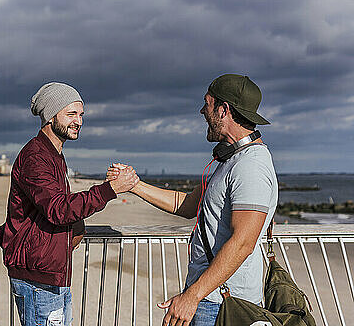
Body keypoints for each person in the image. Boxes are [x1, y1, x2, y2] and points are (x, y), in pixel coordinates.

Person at [108, 74, 278, 326]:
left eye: (207, 104)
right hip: (210, 298)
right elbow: (188, 205)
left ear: (223, 110)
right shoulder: (228, 161)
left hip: (226, 304)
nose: (202, 111)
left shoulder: (251, 165)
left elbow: (243, 242)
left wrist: (192, 296)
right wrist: (134, 185)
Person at [0, 82, 139, 326]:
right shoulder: (36, 156)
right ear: (50, 116)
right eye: (71, 114)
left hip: (51, 272)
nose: (79, 121)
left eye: (81, 115)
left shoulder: (54, 154)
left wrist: (76, 230)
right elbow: (58, 209)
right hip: (37, 279)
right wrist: (110, 189)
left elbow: (57, 207)